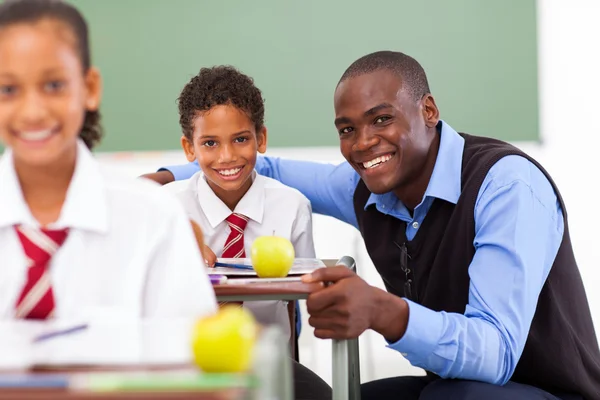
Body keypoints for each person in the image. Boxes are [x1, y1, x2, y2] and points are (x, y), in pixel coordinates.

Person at [146, 50, 600, 399]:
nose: (363, 143)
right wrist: (165, 180)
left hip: (542, 390)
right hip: (455, 387)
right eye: (346, 129)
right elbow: (268, 168)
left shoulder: (506, 185)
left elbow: (496, 353)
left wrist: (382, 311)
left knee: (454, 395)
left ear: (428, 110)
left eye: (382, 119)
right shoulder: (368, 185)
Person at [0, 0, 217, 321]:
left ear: (89, 88)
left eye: (54, 85)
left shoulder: (152, 218)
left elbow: (188, 360)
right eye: (7, 89)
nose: (32, 111)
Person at [160, 65, 331, 400]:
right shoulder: (168, 209)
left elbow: (295, 303)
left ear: (261, 139)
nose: (227, 156)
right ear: (189, 148)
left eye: (240, 139)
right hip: (189, 362)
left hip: (268, 362)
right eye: (210, 142)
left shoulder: (291, 206)